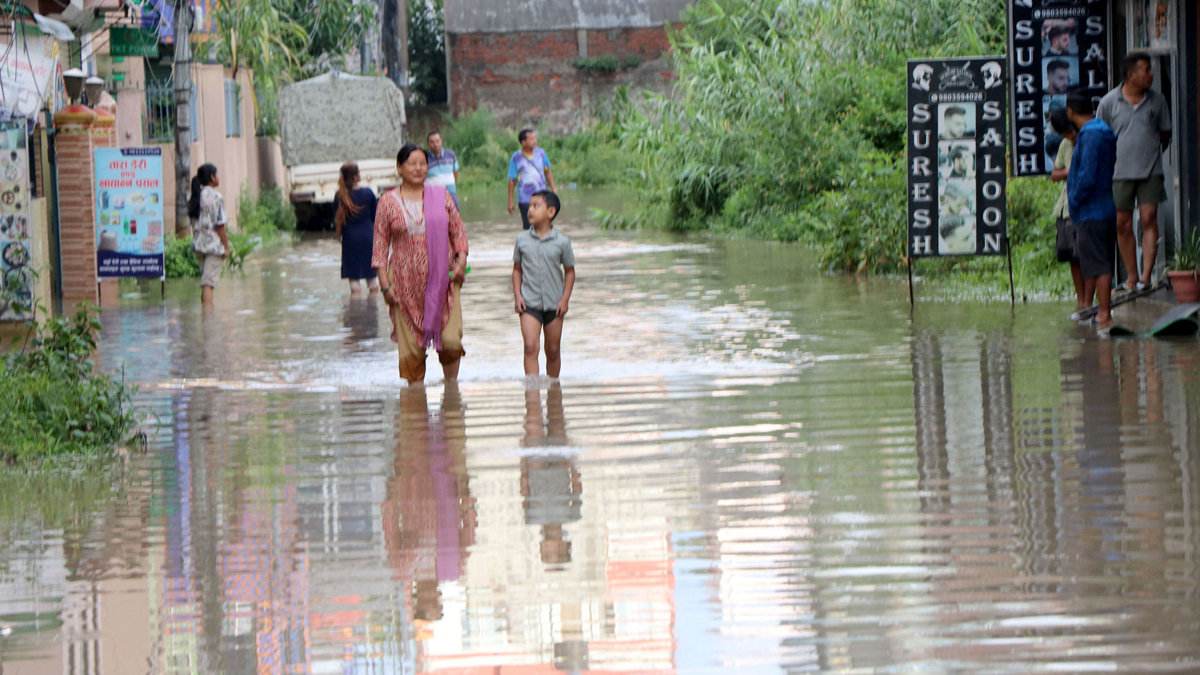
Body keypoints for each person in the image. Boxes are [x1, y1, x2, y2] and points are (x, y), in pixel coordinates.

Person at [373, 143, 470, 385]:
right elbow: (380, 248)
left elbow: (458, 232)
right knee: (412, 353)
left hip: (443, 281)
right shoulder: (387, 202)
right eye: (412, 163)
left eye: (423, 163)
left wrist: (461, 261)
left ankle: (451, 393)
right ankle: (415, 407)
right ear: (399, 167)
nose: (419, 168)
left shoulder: (441, 195)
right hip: (405, 285)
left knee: (450, 342)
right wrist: (385, 287)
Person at [1096, 52, 1172, 291]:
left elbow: (1164, 134)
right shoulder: (1108, 103)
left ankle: (1146, 277)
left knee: (1149, 218)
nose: (1151, 74)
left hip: (1150, 171)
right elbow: (1101, 137)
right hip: (1118, 173)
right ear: (1131, 75)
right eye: (1146, 70)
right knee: (1123, 224)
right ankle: (1132, 276)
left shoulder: (1157, 100)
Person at [1066, 93, 1119, 331]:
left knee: (1099, 265)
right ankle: (1101, 313)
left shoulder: (1089, 136)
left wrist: (1075, 200)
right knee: (1100, 262)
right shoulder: (1105, 132)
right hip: (1106, 205)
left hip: (1091, 209)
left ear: (1070, 112)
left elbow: (1086, 176)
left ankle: (1105, 314)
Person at [512, 190, 575, 378]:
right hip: (529, 303)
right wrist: (517, 296)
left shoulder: (562, 242)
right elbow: (517, 269)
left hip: (554, 304)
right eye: (529, 206)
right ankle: (532, 394)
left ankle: (554, 391)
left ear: (551, 212)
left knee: (553, 350)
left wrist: (565, 300)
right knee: (530, 347)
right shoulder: (521, 240)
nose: (529, 210)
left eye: (535, 206)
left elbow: (570, 271)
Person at [1048, 108, 1086, 310]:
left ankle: (1089, 301)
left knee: (1085, 255)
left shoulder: (1088, 140)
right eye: (1064, 134)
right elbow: (1054, 174)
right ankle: (1081, 302)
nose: (1068, 137)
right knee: (1071, 256)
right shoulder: (1064, 145)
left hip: (1084, 208)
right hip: (1065, 207)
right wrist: (1068, 172)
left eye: (1069, 132)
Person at [334, 161, 379, 295]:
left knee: (354, 284)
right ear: (355, 176)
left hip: (349, 240)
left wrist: (340, 237)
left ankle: (354, 313)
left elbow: (338, 221)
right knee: (373, 282)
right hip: (368, 238)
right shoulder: (368, 193)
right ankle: (372, 312)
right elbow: (375, 219)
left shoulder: (339, 197)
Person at [188, 163, 228, 308]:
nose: (218, 177)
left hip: (198, 245)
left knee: (206, 281)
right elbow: (220, 225)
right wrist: (226, 246)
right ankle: (208, 317)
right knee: (208, 284)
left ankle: (206, 314)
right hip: (213, 246)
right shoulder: (217, 197)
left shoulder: (195, 197)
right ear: (212, 177)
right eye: (217, 174)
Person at [506, 128, 557, 230]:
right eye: (532, 139)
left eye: (535, 138)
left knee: (545, 226)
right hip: (526, 200)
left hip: (542, 198)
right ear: (523, 142)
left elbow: (547, 172)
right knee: (529, 227)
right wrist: (510, 202)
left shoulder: (541, 153)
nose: (535, 141)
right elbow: (512, 180)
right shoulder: (516, 157)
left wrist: (554, 189)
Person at [426, 131, 461, 208]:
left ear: (441, 141)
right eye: (432, 142)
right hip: (433, 197)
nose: (435, 144)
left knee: (454, 216)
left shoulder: (451, 155)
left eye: (437, 141)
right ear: (428, 144)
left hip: (451, 193)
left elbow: (455, 172)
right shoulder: (424, 158)